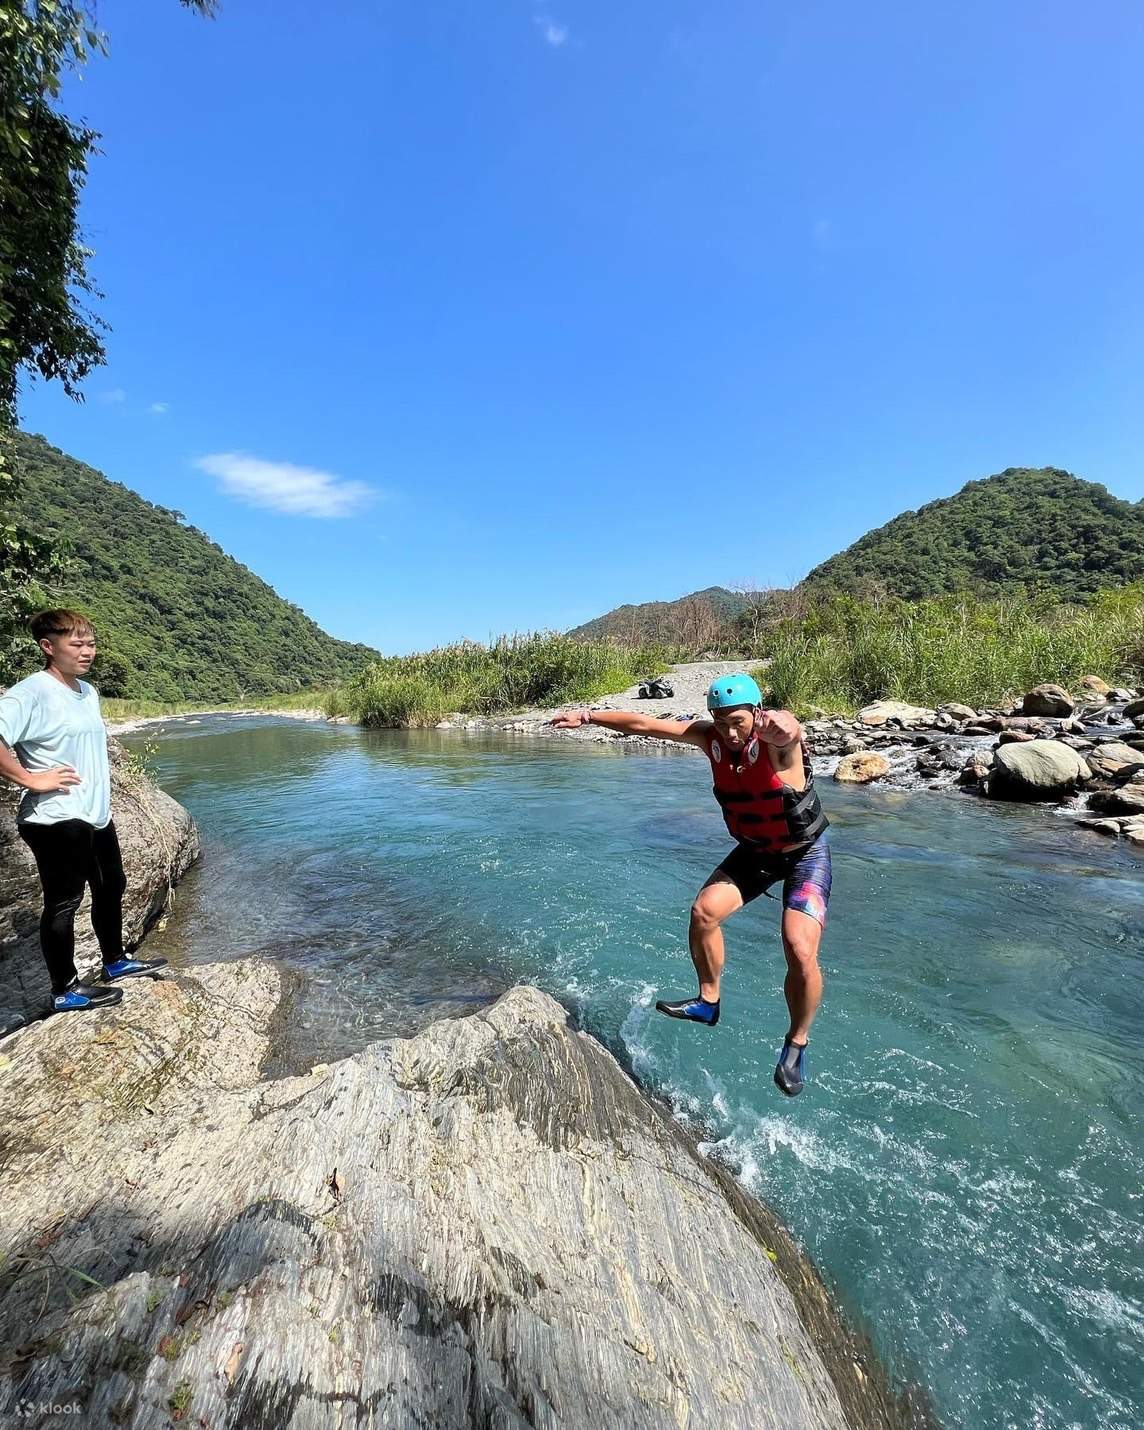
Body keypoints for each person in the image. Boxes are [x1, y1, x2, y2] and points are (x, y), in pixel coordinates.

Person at [550, 673, 830, 1095]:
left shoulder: (775, 743)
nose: (730, 732)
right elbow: (643, 725)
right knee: (704, 912)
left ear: (756, 712)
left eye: (737, 720)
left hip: (803, 853)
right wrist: (588, 715)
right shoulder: (711, 739)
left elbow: (789, 729)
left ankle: (796, 1042)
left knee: (798, 946)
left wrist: (783, 725)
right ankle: (708, 1001)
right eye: (720, 722)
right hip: (757, 852)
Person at [0, 610, 166, 1013]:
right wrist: (30, 779)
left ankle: (115, 961)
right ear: (48, 647)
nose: (87, 651)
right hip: (55, 817)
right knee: (65, 902)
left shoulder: (87, 692)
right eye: (76, 644)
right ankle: (64, 989)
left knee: (112, 885)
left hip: (94, 813)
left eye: (90, 643)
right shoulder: (31, 692)